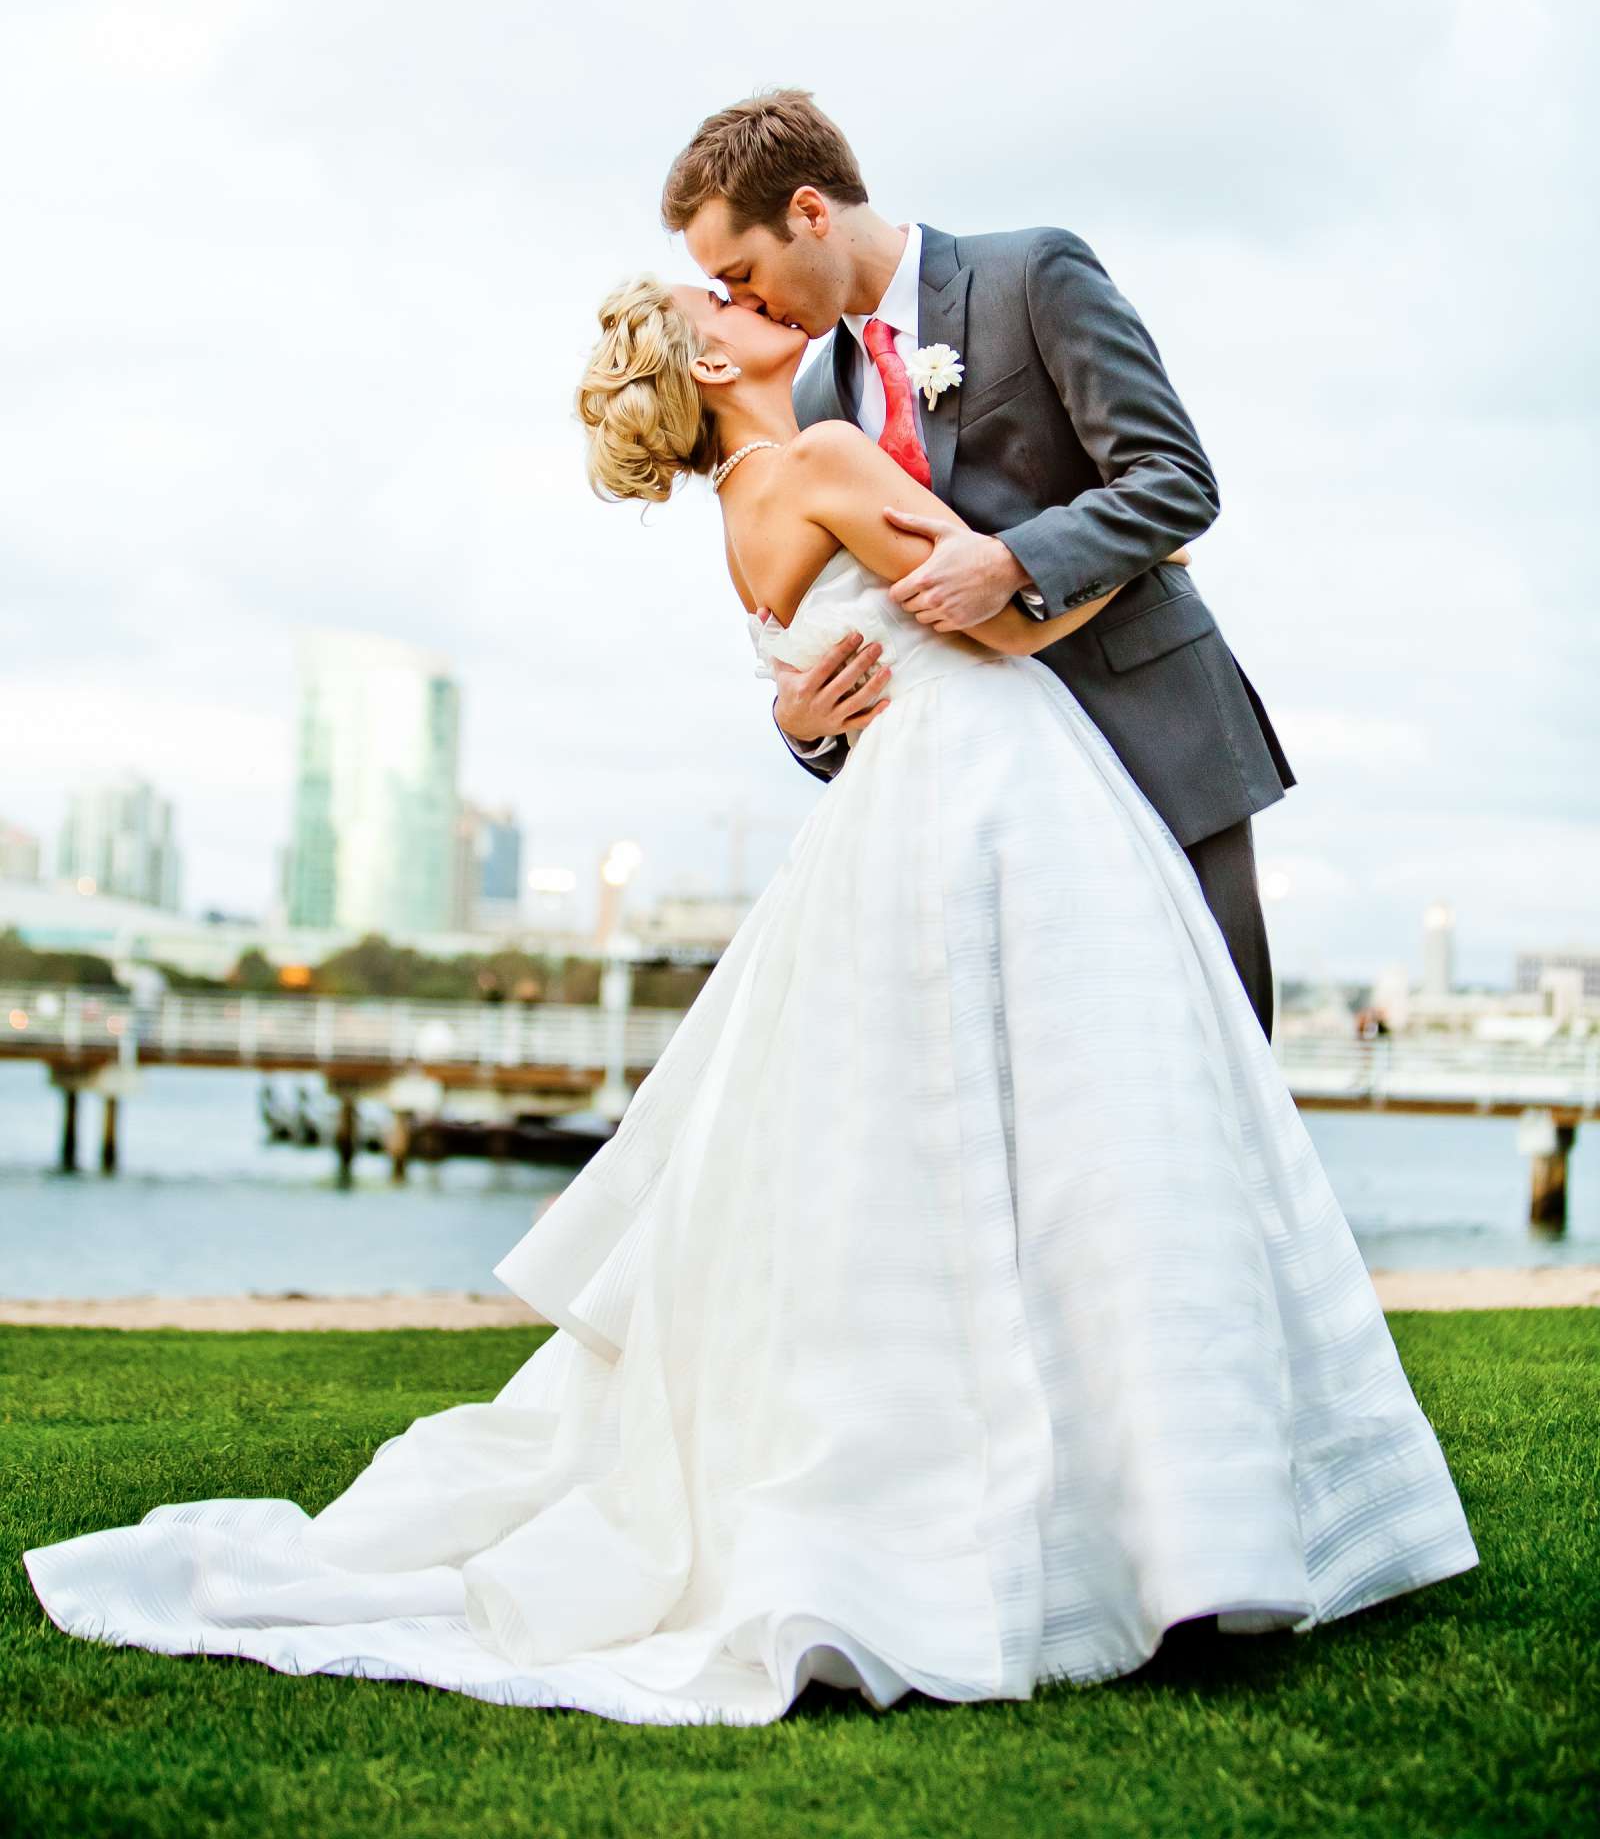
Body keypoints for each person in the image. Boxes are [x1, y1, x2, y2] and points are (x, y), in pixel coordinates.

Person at [22, 269, 1479, 1729]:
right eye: (715, 295)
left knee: (918, 1169)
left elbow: (821, 672)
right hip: (997, 797)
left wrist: (803, 709)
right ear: (712, 354)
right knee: (1101, 1135)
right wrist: (1139, 566)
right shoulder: (832, 460)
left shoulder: (745, 512)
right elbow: (1009, 622)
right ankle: (1152, 1506)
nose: (749, 295)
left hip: (896, 827)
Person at [666, 88, 1295, 1041]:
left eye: (745, 273)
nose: (745, 304)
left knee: (1214, 1082)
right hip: (987, 819)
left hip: (1154, 744)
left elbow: (1176, 480)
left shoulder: (1033, 272)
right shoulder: (811, 398)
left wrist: (1010, 561)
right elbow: (846, 611)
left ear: (808, 212)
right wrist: (803, 726)